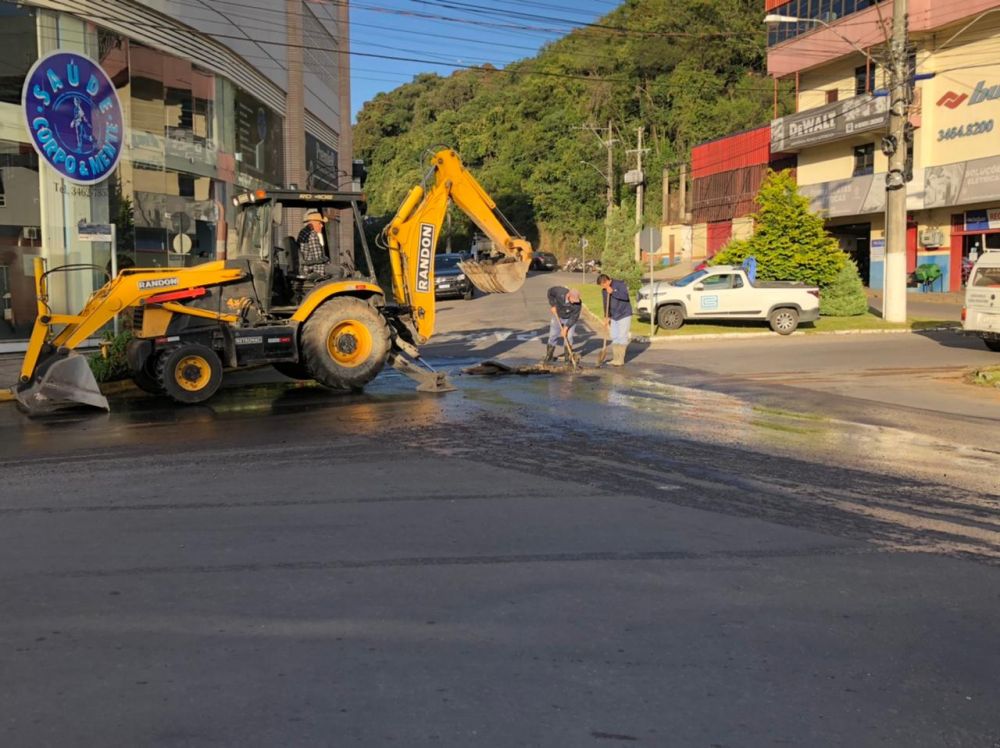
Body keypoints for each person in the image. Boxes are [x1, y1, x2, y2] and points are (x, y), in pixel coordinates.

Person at [597, 273, 632, 366]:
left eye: (603, 285)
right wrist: (606, 316)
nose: (603, 287)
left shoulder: (620, 284)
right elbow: (605, 303)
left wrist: (613, 292)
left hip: (624, 314)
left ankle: (620, 360)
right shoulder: (604, 290)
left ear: (607, 281)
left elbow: (625, 297)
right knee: (614, 336)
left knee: (622, 337)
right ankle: (615, 358)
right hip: (614, 316)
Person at [543, 286, 582, 364]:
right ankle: (549, 356)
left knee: (569, 337)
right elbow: (550, 292)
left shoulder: (578, 304)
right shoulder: (559, 292)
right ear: (568, 296)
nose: (575, 302)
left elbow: (574, 317)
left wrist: (566, 328)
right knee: (553, 336)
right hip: (558, 315)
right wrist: (553, 305)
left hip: (570, 318)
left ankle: (567, 359)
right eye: (573, 300)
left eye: (576, 300)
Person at [297, 210, 329, 276]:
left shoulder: (303, 231)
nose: (322, 226)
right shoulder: (312, 235)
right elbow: (318, 258)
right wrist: (327, 261)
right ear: (314, 223)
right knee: (339, 271)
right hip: (312, 268)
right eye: (320, 223)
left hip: (307, 266)